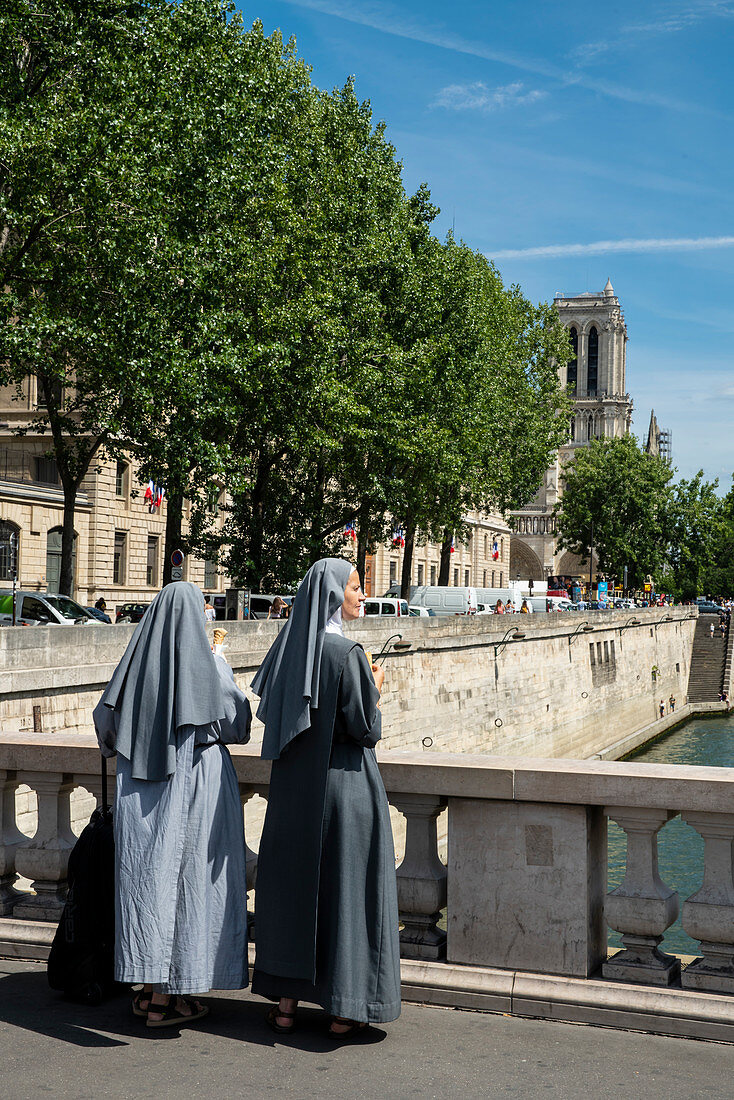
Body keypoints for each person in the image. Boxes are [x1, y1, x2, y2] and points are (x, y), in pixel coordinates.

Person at [251, 558, 401, 1039]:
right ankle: (345, 1008)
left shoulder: (286, 648)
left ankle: (288, 1006)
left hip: (293, 792)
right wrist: (375, 691)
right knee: (348, 892)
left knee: (297, 894)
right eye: (356, 587)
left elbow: (269, 714)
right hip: (343, 786)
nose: (362, 594)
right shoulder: (348, 652)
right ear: (335, 594)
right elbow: (365, 729)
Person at [93, 582, 251, 1027]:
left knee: (149, 884)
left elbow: (106, 725)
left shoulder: (135, 664)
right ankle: (167, 998)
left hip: (141, 793)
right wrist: (222, 665)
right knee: (188, 887)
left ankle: (147, 989)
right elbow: (237, 725)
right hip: (198, 786)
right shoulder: (208, 664)